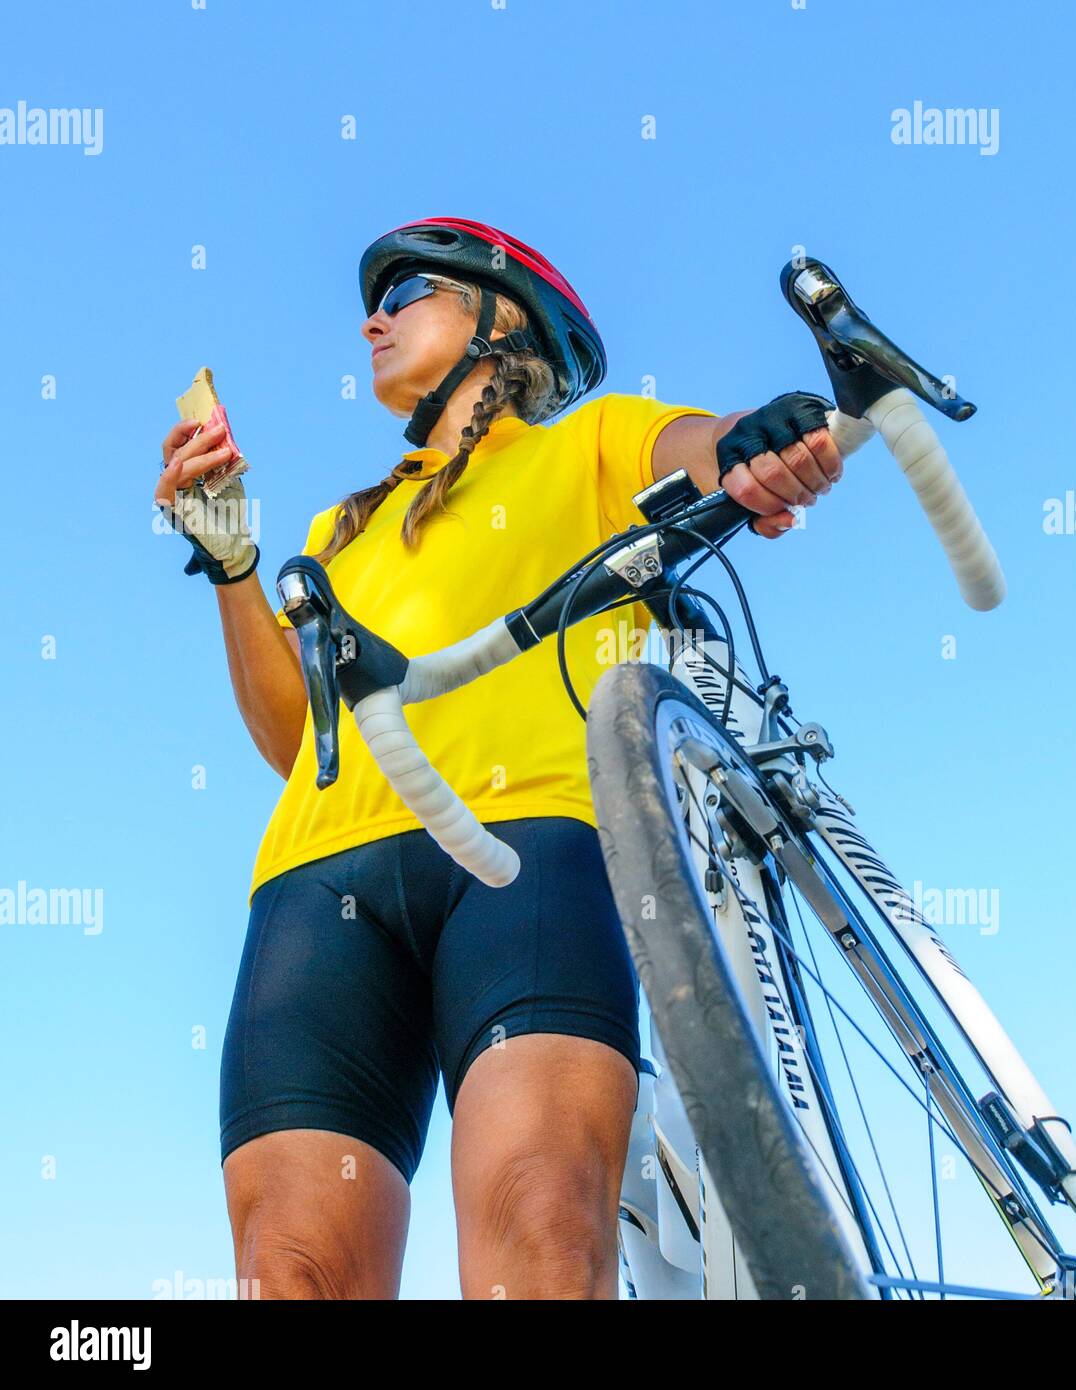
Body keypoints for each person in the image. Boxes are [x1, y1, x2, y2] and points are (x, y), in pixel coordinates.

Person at [155, 217, 843, 1300]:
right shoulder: (339, 528)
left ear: (501, 316)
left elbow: (695, 450)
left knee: (540, 1229)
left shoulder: (590, 442)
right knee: (286, 1274)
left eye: (409, 290)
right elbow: (298, 740)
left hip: (524, 846)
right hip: (319, 879)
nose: (372, 318)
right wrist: (232, 560)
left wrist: (752, 441)